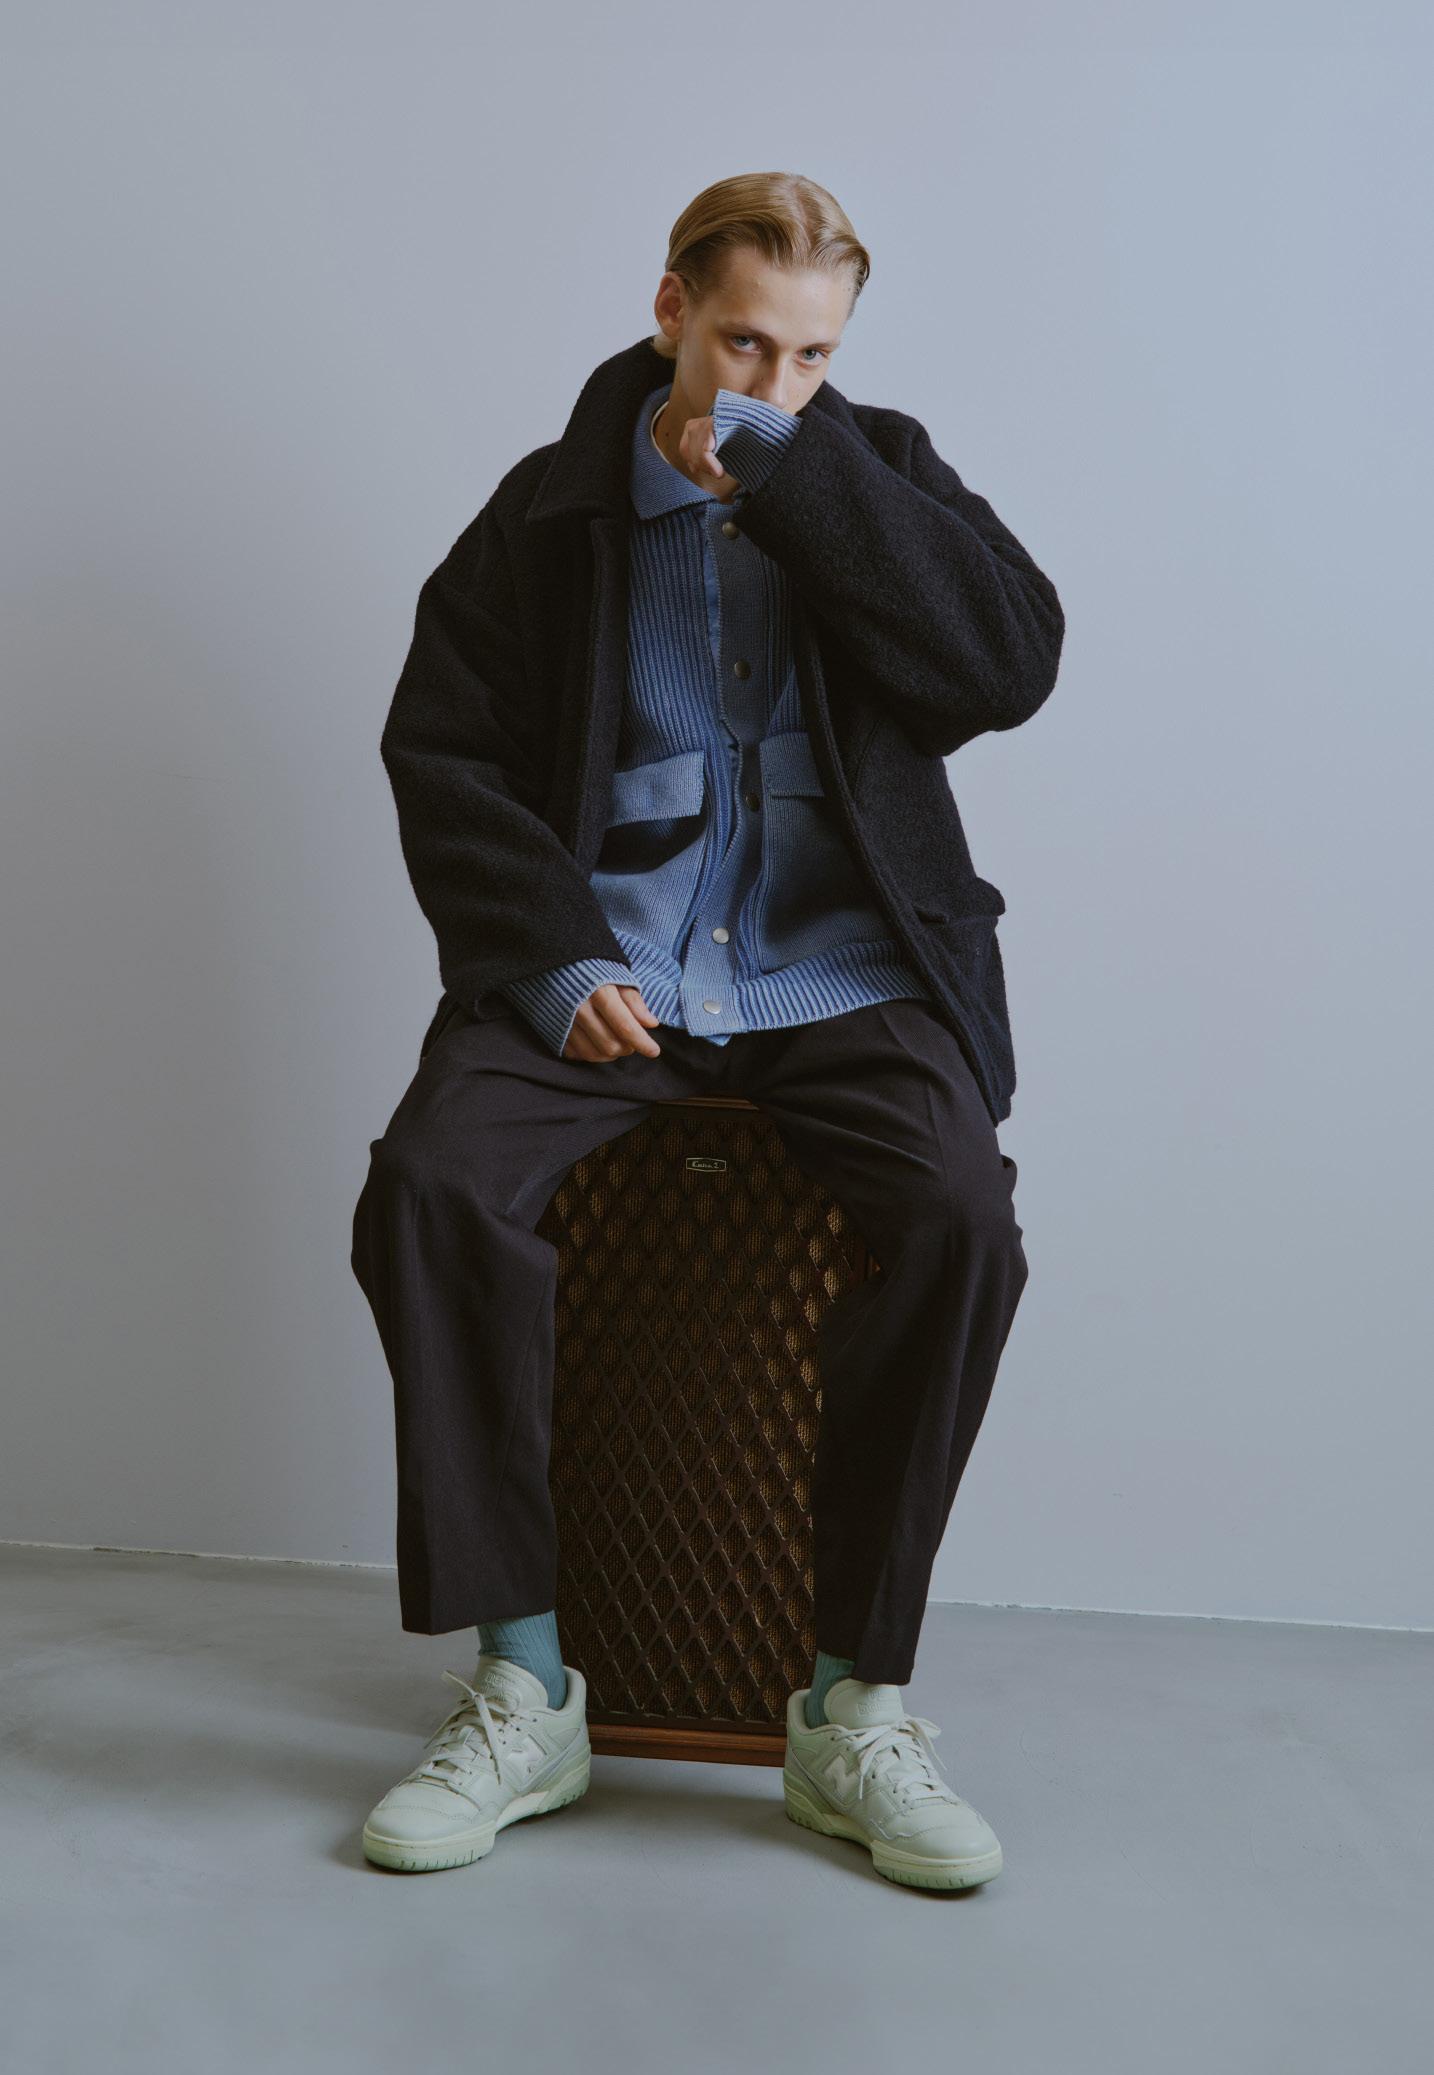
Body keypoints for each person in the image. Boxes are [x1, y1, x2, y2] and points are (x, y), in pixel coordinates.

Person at [351, 170, 1064, 1890]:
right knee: (430, 1189)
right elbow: (438, 749)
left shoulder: (871, 466)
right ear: (670, 307)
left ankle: (851, 1707)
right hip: (613, 969)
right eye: (744, 343)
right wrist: (544, 954)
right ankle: (524, 1688)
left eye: (812, 356)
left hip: (844, 967)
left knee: (962, 1222)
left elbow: (1004, 667)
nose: (773, 383)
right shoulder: (550, 507)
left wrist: (807, 477)